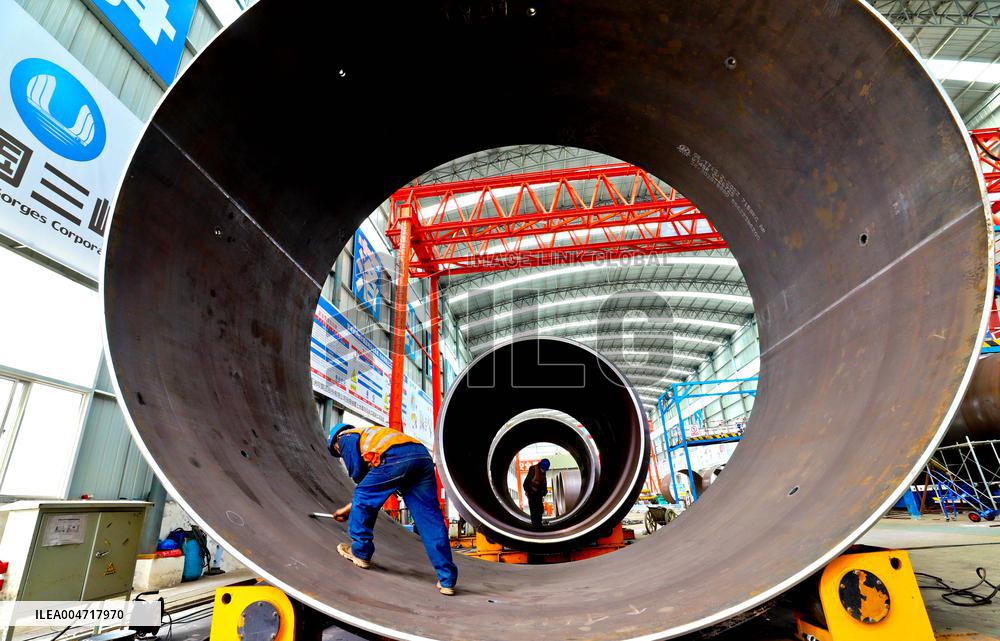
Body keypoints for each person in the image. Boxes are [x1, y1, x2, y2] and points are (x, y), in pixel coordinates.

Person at [327, 422, 458, 595]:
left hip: (396, 456)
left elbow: (360, 478)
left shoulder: (346, 437)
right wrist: (358, 504)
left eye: (338, 453)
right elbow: (374, 488)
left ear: (336, 443)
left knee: (363, 496)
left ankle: (360, 552)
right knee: (430, 519)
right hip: (421, 457)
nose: (341, 454)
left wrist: (353, 507)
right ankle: (446, 579)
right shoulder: (373, 435)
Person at [522, 458, 551, 529]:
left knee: (540, 509)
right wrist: (528, 491)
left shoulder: (543, 471)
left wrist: (544, 491)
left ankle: (539, 524)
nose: (544, 471)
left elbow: (544, 482)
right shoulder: (533, 469)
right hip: (532, 493)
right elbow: (526, 482)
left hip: (538, 494)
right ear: (541, 466)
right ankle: (535, 525)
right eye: (543, 469)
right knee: (534, 510)